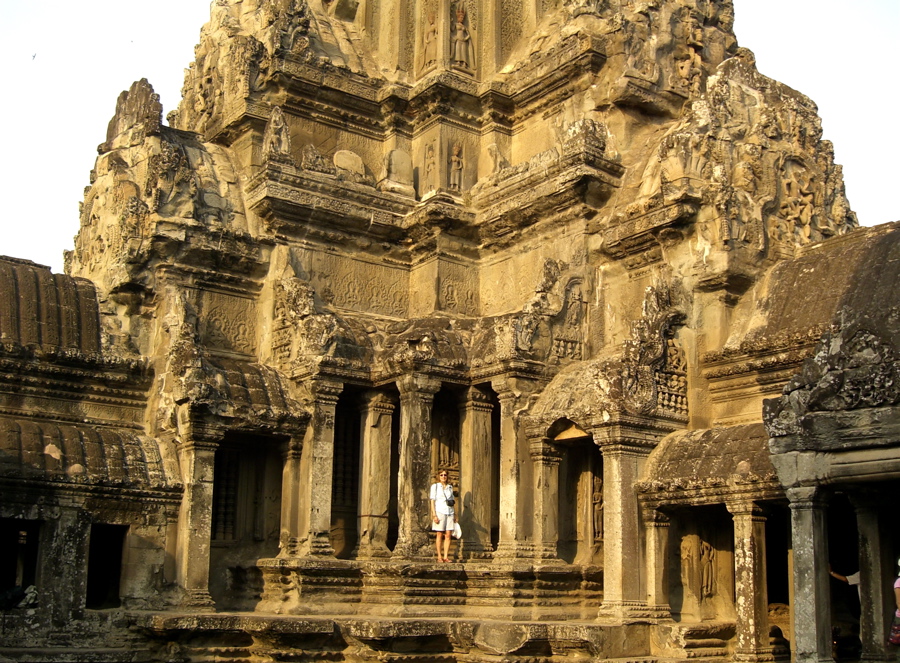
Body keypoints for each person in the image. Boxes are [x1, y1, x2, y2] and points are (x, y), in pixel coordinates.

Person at [430, 469, 455, 563]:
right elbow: (432, 501)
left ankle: (446, 556)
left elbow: (452, 501)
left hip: (450, 512)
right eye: (441, 475)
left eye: (445, 475)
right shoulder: (435, 486)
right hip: (439, 511)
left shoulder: (450, 487)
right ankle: (439, 556)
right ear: (438, 476)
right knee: (439, 534)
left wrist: (455, 514)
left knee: (448, 535)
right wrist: (434, 514)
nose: (443, 476)